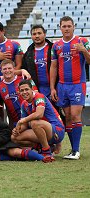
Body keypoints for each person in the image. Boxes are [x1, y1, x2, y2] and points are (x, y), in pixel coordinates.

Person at [50, 16, 90, 160]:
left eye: (69, 26)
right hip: (62, 86)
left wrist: (83, 51)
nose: (66, 28)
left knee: (74, 115)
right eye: (64, 26)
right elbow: (53, 66)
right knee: (67, 117)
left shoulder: (82, 41)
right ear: (60, 27)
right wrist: (52, 88)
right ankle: (73, 150)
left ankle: (77, 150)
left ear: (74, 27)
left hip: (78, 84)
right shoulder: (56, 46)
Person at [11, 80, 65, 161]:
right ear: (19, 92)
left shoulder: (39, 97)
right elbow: (25, 124)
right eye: (22, 90)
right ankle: (43, 147)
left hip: (57, 130)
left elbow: (39, 114)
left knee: (34, 123)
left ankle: (46, 152)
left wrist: (22, 120)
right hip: (42, 131)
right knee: (14, 137)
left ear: (32, 89)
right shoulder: (24, 104)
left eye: (26, 89)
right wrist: (17, 130)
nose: (24, 92)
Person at [0, 59, 37, 127]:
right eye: (5, 69)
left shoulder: (24, 79)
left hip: (32, 117)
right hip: (17, 122)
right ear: (1, 70)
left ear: (14, 69)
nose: (7, 71)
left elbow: (37, 94)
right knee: (15, 137)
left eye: (9, 68)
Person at [22, 25, 53, 98]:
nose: (37, 36)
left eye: (39, 33)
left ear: (44, 34)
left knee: (54, 109)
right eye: (34, 34)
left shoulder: (53, 48)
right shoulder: (28, 53)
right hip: (37, 90)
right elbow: (24, 71)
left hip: (54, 89)